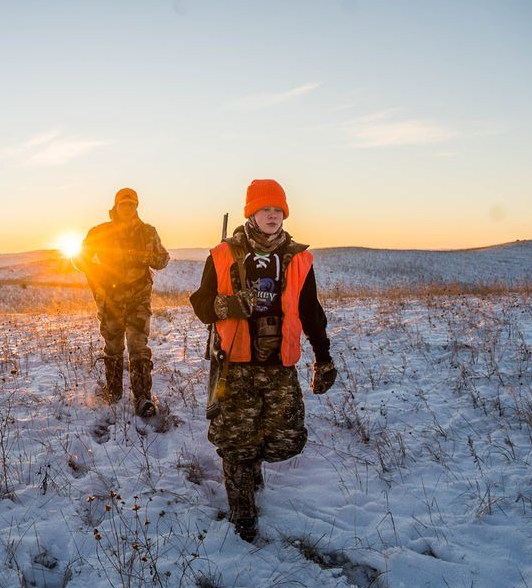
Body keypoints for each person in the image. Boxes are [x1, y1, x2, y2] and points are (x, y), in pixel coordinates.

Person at [190, 179, 337, 542]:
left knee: (285, 439)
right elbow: (201, 303)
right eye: (264, 209)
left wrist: (324, 356)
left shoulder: (300, 258)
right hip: (236, 365)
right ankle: (244, 517)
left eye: (278, 210)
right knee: (236, 442)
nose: (272, 216)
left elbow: (310, 311)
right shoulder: (222, 254)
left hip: (279, 366)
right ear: (250, 214)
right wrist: (227, 306)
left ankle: (252, 473)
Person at [73, 187, 170, 417]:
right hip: (111, 300)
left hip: (139, 299)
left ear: (137, 206)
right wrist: (98, 277)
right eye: (123, 204)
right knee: (114, 347)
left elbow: (163, 259)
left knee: (139, 347)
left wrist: (143, 257)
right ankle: (114, 393)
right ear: (115, 207)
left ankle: (143, 398)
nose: (127, 208)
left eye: (131, 204)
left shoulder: (148, 232)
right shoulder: (100, 232)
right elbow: (79, 258)